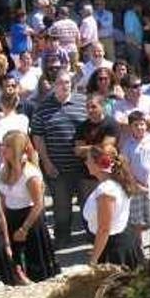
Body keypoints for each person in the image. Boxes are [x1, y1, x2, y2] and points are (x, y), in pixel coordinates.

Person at [31, 70, 93, 247]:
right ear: (53, 85)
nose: (64, 86)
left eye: (67, 82)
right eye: (60, 83)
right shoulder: (42, 108)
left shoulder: (82, 103)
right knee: (61, 209)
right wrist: (46, 162)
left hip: (84, 168)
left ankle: (93, 237)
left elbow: (93, 126)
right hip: (58, 169)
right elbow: (38, 137)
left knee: (88, 205)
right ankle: (62, 240)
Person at [0, 131, 59, 282]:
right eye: (2, 145)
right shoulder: (4, 169)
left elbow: (38, 204)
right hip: (11, 219)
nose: (2, 149)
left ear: (17, 149)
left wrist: (24, 228)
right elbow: (3, 201)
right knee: (14, 267)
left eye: (7, 146)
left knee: (35, 266)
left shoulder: (30, 173)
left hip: (30, 220)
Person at [82, 144, 143, 268]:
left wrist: (93, 259)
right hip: (118, 243)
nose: (85, 163)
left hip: (114, 251)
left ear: (97, 163)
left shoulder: (106, 190)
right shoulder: (115, 183)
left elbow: (104, 229)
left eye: (87, 159)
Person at [120, 111, 150, 238]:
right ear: (130, 128)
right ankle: (138, 248)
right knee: (137, 221)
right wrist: (136, 184)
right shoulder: (127, 145)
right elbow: (125, 167)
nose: (140, 127)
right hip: (136, 188)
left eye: (142, 124)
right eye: (136, 125)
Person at [114, 74, 150, 144]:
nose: (139, 88)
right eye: (135, 86)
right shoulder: (118, 105)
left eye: (140, 85)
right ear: (125, 89)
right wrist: (148, 121)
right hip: (128, 149)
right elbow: (121, 126)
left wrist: (132, 124)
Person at [74, 94, 119, 162]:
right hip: (87, 167)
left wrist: (87, 148)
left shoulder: (111, 124)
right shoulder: (82, 126)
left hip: (107, 167)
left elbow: (106, 149)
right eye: (87, 107)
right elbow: (79, 152)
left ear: (102, 107)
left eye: (93, 107)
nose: (90, 110)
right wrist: (96, 148)